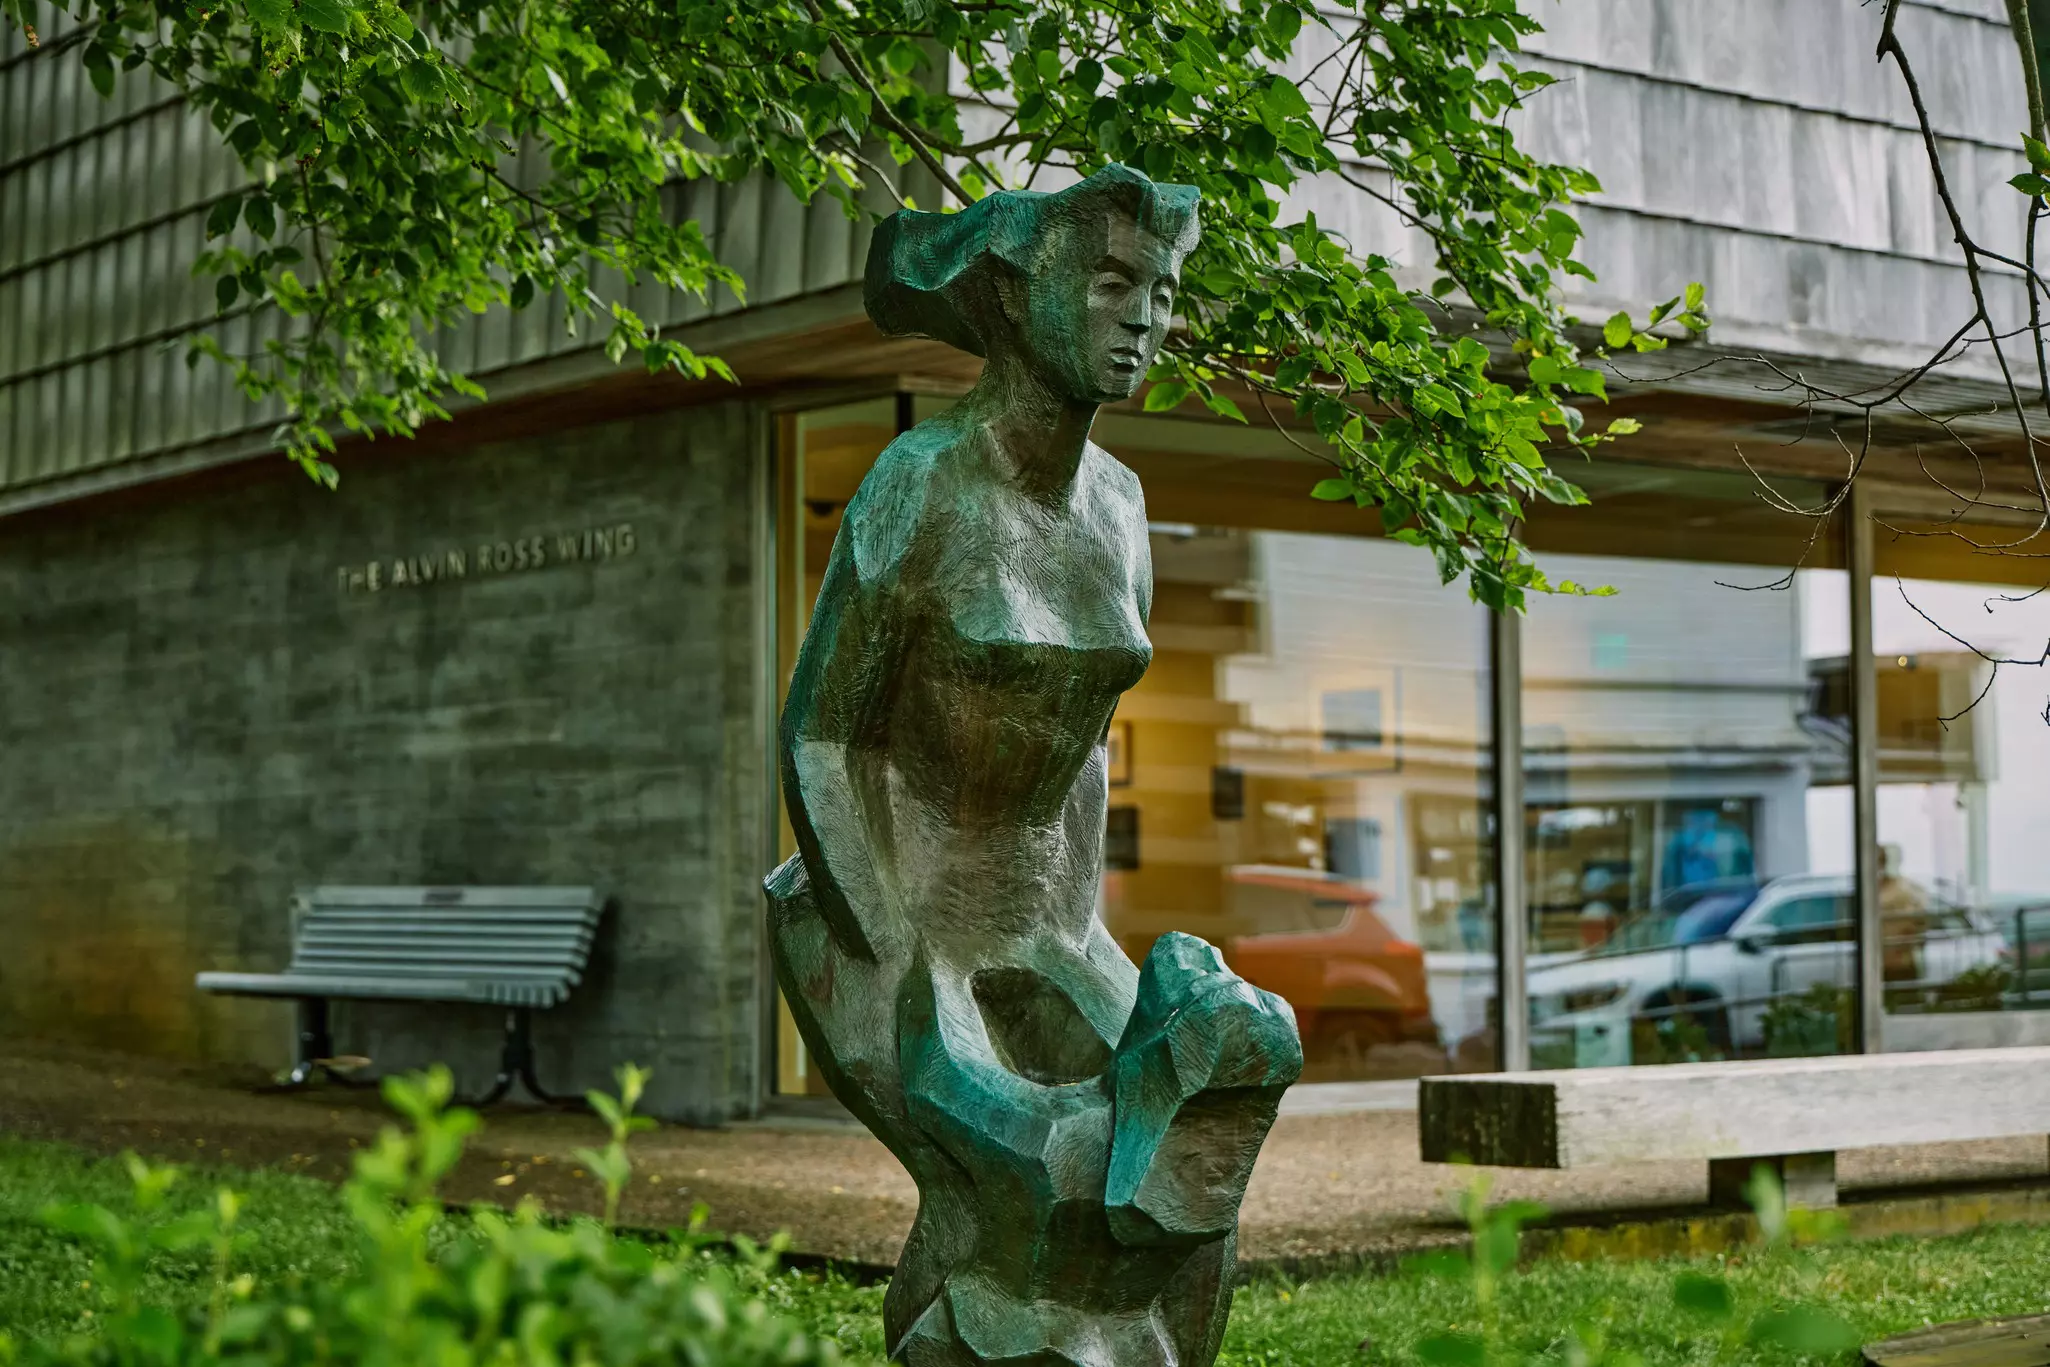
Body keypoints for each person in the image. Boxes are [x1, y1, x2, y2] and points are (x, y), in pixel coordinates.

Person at [765, 165, 1300, 1367]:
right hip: (884, 913)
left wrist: (1077, 931)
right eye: (1112, 279)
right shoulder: (921, 485)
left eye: (1163, 289)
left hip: (1044, 917)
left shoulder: (1120, 505)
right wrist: (898, 952)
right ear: (1018, 295)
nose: (1147, 315)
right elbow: (822, 730)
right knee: (1042, 1182)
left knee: (1189, 1185)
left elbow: (1083, 751)